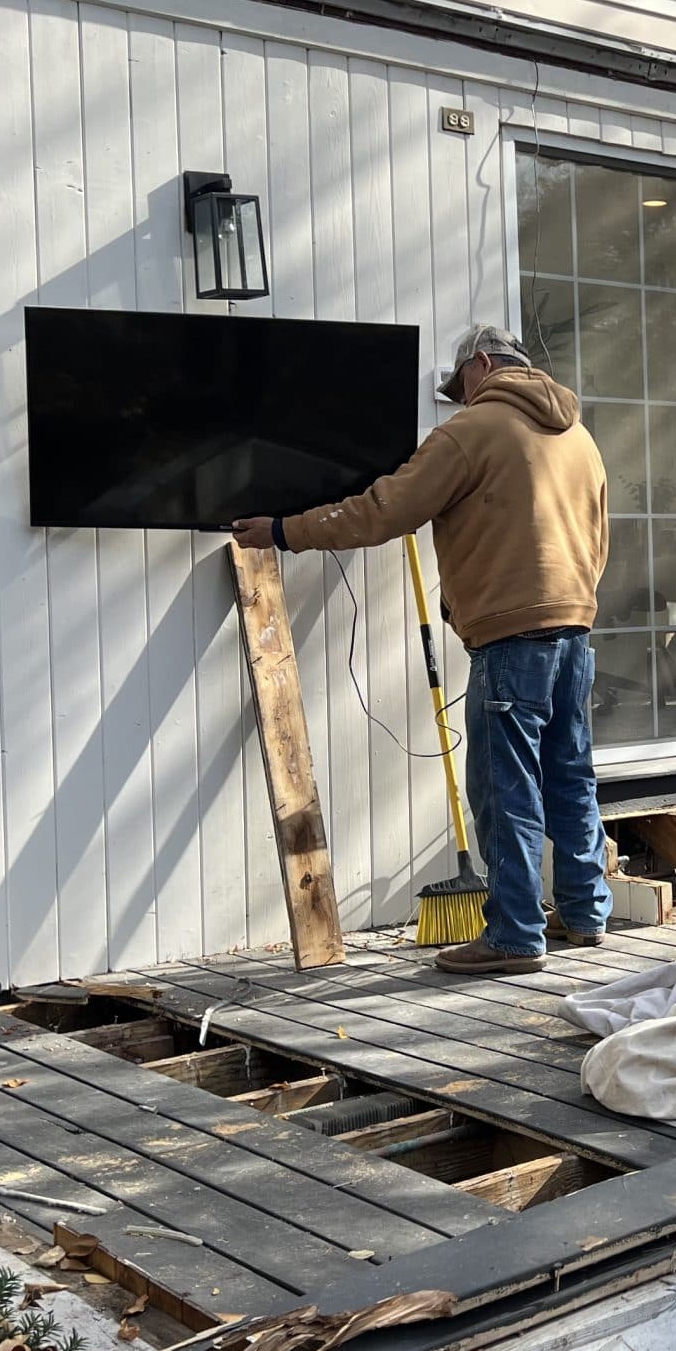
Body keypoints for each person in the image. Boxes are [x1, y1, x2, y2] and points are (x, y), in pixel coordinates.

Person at [231, 324, 612, 976]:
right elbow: (599, 534)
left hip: (509, 637)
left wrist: (284, 531)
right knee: (569, 774)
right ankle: (584, 912)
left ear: (482, 364)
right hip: (573, 633)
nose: (457, 398)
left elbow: (384, 509)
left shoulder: (471, 432)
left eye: (458, 383)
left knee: (505, 787)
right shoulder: (577, 437)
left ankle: (517, 936)